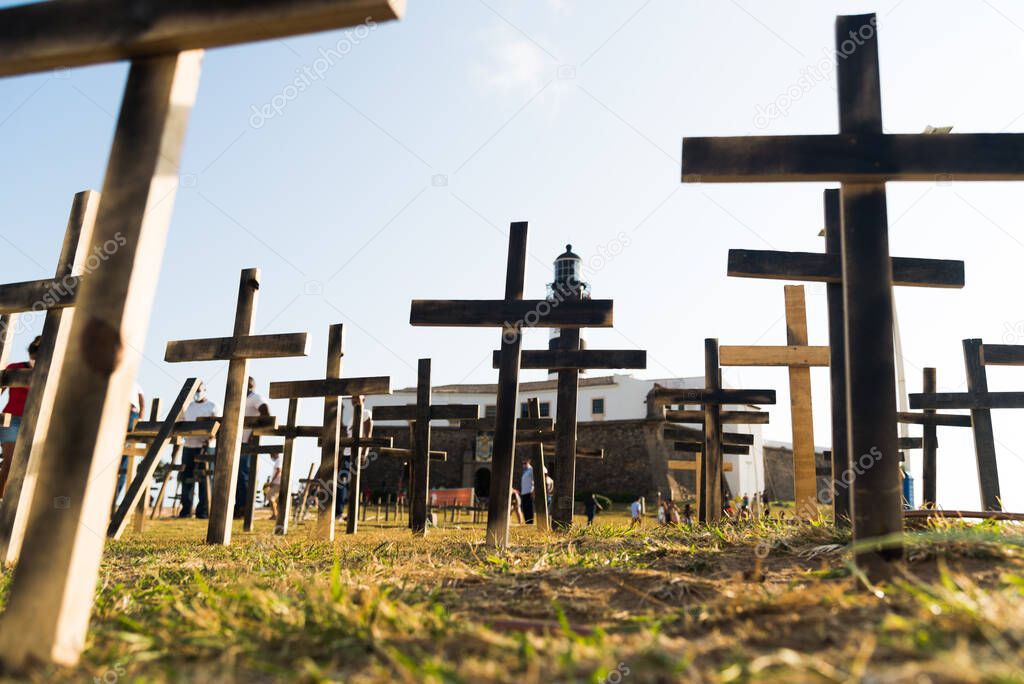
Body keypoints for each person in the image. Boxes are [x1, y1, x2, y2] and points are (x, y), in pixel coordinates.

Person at [0, 336, 41, 497]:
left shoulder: (49, 373)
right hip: (11, 420)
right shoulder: (14, 368)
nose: (33, 360)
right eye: (32, 356)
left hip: (34, 422)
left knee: (23, 467)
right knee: (10, 463)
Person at [178, 381, 218, 519]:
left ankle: (203, 512)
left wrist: (211, 438)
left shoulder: (213, 406)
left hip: (207, 447)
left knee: (205, 480)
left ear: (205, 390)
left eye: (199, 390)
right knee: (186, 478)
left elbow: (218, 427)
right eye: (195, 391)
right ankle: (186, 510)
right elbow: (180, 424)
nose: (197, 393)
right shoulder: (187, 406)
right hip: (189, 446)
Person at [235, 376, 270, 519]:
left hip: (248, 443)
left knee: (244, 476)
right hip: (238, 442)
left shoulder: (256, 398)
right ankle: (238, 507)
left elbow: (266, 412)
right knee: (238, 477)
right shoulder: (240, 398)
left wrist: (254, 434)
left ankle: (244, 509)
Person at [336, 395, 372, 520]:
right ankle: (342, 513)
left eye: (357, 398)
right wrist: (340, 457)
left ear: (364, 400)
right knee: (341, 483)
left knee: (351, 484)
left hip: (356, 453)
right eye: (353, 398)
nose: (354, 400)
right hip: (346, 453)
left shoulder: (366, 413)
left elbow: (368, 435)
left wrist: (364, 453)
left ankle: (349, 514)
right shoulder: (351, 417)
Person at [112, 380, 146, 510]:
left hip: (131, 417)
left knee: (125, 462)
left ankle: (114, 500)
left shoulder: (136, 386)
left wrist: (139, 421)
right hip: (116, 414)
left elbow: (142, 403)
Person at [264, 453, 282, 520]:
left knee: (271, 498)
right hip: (277, 483)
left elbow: (279, 470)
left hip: (277, 483)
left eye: (271, 454)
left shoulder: (279, 460)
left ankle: (275, 515)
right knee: (274, 499)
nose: (270, 456)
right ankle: (275, 514)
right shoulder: (278, 461)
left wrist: (272, 481)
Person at [520, 458, 535, 525]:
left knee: (529, 508)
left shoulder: (531, 470)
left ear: (528, 462)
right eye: (523, 463)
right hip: (524, 492)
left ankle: (530, 522)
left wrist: (533, 490)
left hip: (529, 492)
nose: (524, 465)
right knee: (525, 508)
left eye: (525, 463)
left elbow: (534, 481)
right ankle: (527, 522)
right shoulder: (525, 471)